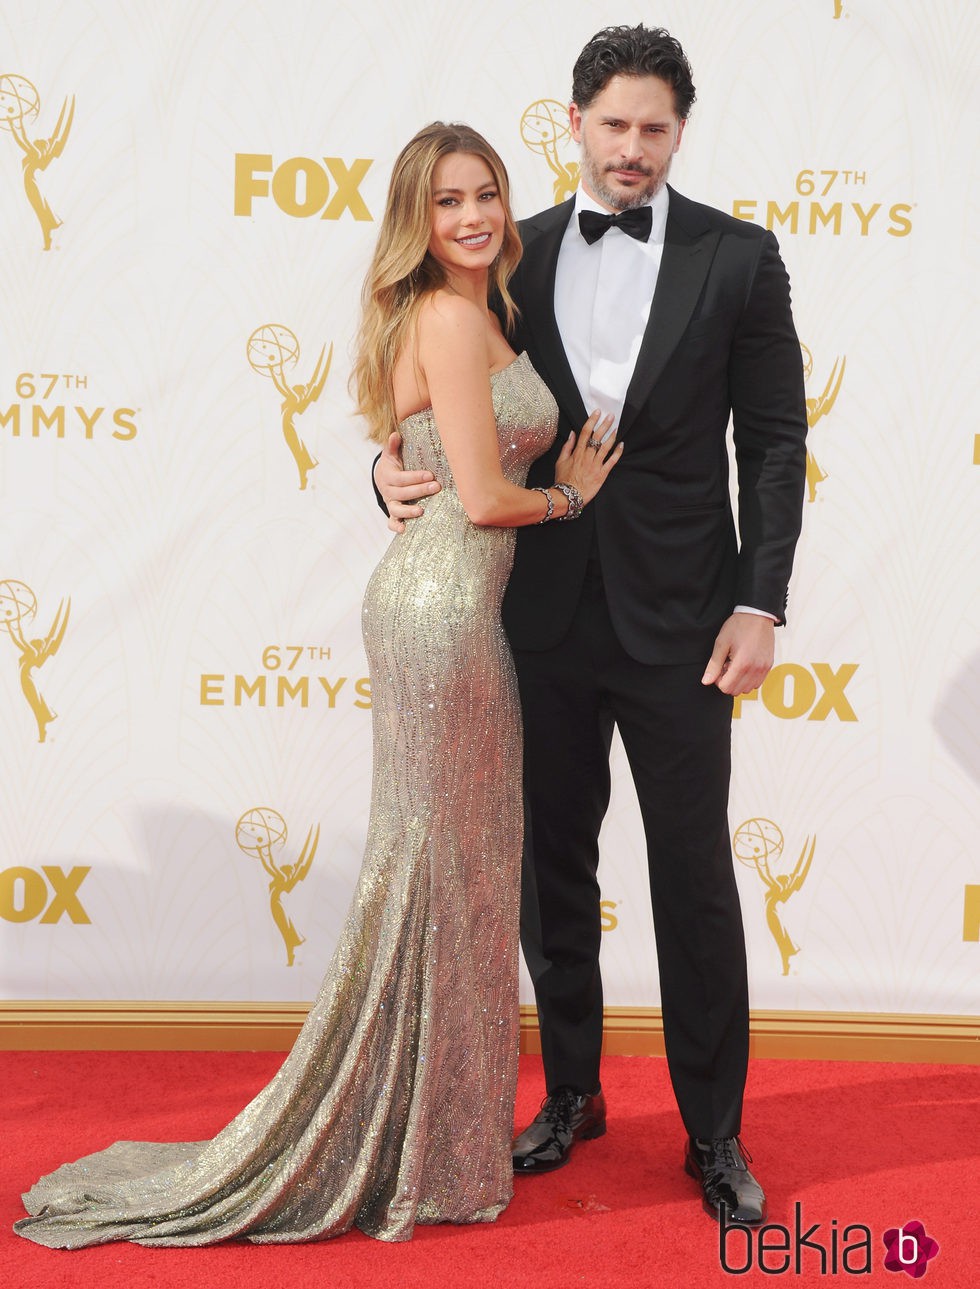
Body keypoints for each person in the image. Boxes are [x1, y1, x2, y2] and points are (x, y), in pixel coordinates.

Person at [13, 122, 619, 1250]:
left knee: (456, 866)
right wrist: (570, 491)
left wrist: (416, 469)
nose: (475, 217)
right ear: (416, 218)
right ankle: (404, 1138)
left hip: (446, 607)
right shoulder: (445, 315)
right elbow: (483, 496)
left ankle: (435, 1134)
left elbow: (424, 456)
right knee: (442, 865)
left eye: (486, 193)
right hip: (442, 615)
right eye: (447, 202)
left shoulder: (483, 309)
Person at [374, 27, 809, 1228]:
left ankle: (712, 1131)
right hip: (537, 614)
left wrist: (757, 602)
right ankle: (569, 1092)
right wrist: (387, 469)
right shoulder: (509, 253)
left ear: (679, 131)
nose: (631, 149)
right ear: (571, 123)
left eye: (654, 129)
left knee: (693, 876)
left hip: (685, 625)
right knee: (548, 868)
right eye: (611, 125)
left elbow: (773, 443)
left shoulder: (737, 257)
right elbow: (436, 380)